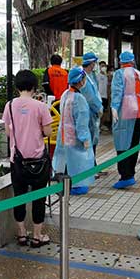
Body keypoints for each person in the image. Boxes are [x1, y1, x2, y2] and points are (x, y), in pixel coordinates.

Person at [2, 70, 54, 246]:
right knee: (39, 198)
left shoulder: (9, 105)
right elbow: (48, 132)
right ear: (34, 86)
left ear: (17, 86)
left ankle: (22, 233)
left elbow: (8, 132)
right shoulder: (41, 106)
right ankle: (37, 236)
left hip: (17, 160)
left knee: (19, 196)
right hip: (38, 160)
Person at [52, 67, 96, 195]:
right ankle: (77, 185)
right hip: (75, 136)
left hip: (64, 135)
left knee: (65, 160)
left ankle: (65, 184)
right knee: (78, 160)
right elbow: (81, 121)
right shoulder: (79, 98)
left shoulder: (65, 94)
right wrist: (85, 138)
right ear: (80, 80)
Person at [110, 51, 140, 189]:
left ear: (120, 61)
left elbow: (117, 92)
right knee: (134, 144)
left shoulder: (119, 74)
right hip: (139, 111)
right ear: (133, 61)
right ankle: (131, 173)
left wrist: (114, 107)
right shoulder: (138, 73)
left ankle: (125, 176)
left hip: (125, 111)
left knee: (122, 143)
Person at [79, 52, 103, 157]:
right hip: (89, 112)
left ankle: (93, 162)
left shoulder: (91, 76)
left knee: (93, 140)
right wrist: (98, 108)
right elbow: (90, 97)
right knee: (89, 140)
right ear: (92, 64)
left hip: (93, 113)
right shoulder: (84, 77)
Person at [97, 61, 110, 130]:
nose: (103, 67)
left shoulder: (107, 77)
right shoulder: (97, 76)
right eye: (102, 66)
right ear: (99, 67)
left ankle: (102, 125)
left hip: (105, 96)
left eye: (104, 66)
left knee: (105, 111)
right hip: (99, 96)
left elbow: (108, 86)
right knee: (99, 111)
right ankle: (97, 126)